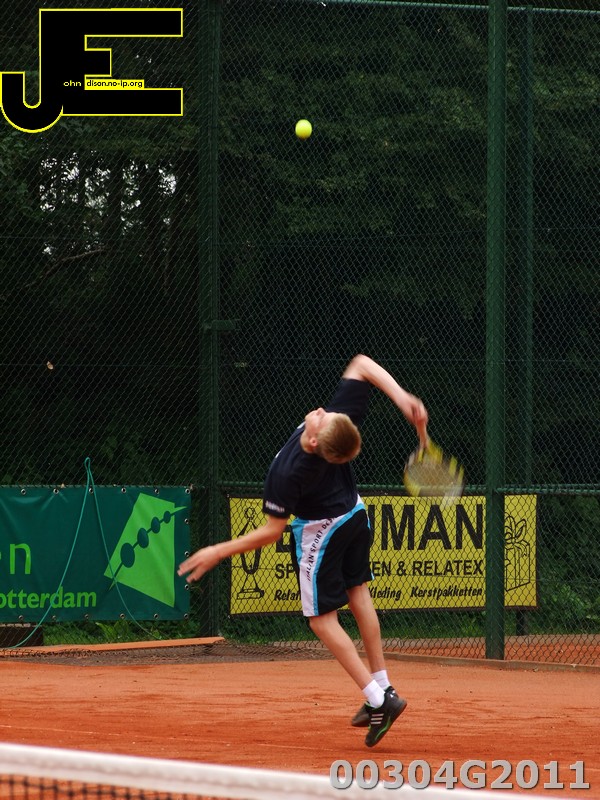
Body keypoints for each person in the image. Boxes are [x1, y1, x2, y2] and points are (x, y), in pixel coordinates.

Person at [178, 354, 428, 747]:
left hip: (323, 529)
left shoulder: (288, 472)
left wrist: (217, 551)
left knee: (321, 620)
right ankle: (384, 687)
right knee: (358, 592)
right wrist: (401, 397)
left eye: (323, 418)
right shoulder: (336, 426)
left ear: (314, 442)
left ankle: (378, 699)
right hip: (354, 514)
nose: (321, 412)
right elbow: (362, 364)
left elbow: (271, 532)